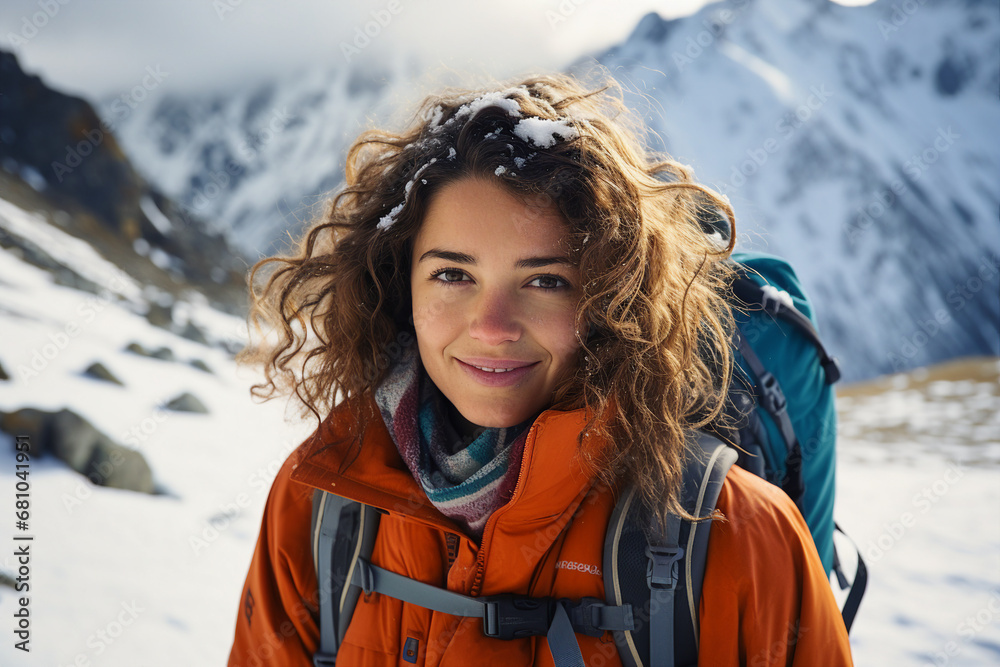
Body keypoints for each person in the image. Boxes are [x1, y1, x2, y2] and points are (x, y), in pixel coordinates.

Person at [227, 73, 853, 666]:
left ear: (610, 300)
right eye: (453, 274)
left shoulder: (742, 537)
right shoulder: (323, 501)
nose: (492, 326)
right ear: (398, 283)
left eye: (546, 281)